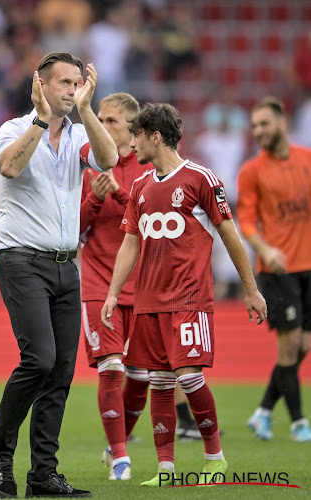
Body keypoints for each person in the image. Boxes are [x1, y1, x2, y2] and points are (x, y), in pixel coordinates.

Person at [101, 103, 267, 486]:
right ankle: (166, 469)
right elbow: (130, 244)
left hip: (189, 299)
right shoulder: (141, 187)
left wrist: (250, 288)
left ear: (155, 137)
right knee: (160, 382)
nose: (133, 143)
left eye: (137, 135)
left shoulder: (201, 179)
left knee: (189, 377)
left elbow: (230, 235)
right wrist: (113, 293)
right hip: (148, 302)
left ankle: (214, 459)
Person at [0, 52, 117, 499]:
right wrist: (40, 121)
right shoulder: (14, 128)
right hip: (22, 260)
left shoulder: (79, 132)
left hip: (64, 264)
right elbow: (9, 167)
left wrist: (89, 112)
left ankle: (43, 474)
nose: (72, 90)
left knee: (60, 370)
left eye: (78, 82)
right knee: (38, 359)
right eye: (64, 82)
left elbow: (109, 158)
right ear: (40, 84)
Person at [79, 92, 151, 481]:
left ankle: (114, 446)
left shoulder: (147, 168)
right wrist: (94, 198)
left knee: (140, 375)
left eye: (112, 122)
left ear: (131, 129)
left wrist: (119, 194)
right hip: (97, 281)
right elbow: (71, 229)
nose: (103, 128)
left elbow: (151, 225)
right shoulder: (87, 166)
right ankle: (122, 458)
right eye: (100, 120)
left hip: (142, 285)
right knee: (111, 368)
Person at [238, 97, 311, 442]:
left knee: (303, 346)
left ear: (281, 123)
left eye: (264, 124)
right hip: (276, 270)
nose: (258, 131)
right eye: (254, 126)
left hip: (308, 267)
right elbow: (247, 221)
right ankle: (298, 422)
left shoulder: (307, 161)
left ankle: (263, 411)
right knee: (289, 344)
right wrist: (266, 248)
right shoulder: (251, 171)